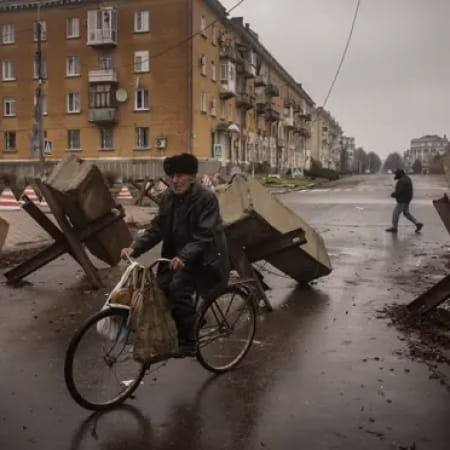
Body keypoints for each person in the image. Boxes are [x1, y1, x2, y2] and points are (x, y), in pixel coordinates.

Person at [121, 153, 230, 356]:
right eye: (171, 176)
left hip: (204, 259)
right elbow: (157, 228)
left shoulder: (206, 199)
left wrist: (184, 257)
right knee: (157, 288)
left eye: (180, 175)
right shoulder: (169, 197)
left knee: (178, 288)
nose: (174, 180)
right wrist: (135, 248)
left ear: (192, 176)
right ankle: (189, 320)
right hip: (177, 258)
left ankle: (189, 342)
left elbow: (204, 234)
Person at [385, 168, 423, 233]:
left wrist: (393, 194)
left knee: (395, 213)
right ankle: (417, 223)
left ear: (399, 174)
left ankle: (394, 227)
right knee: (406, 213)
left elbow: (400, 191)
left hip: (403, 200)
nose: (395, 175)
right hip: (407, 199)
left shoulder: (402, 181)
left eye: (396, 174)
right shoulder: (406, 178)